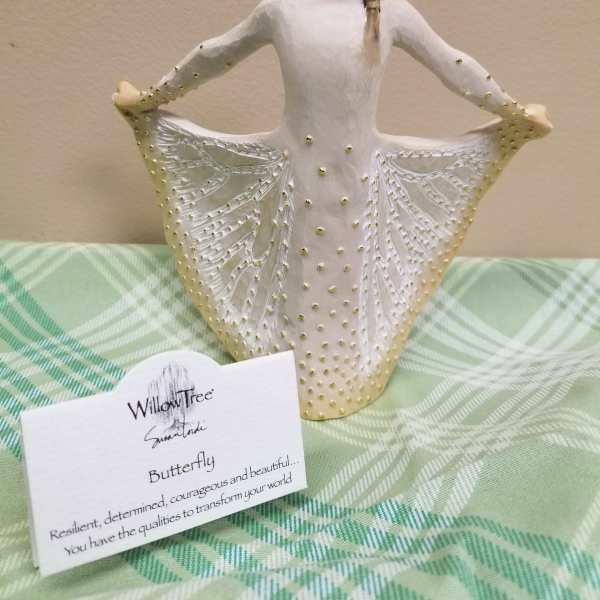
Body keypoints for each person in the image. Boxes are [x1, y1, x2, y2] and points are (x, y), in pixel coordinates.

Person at [112, 0, 552, 420]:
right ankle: (298, 379)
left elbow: (453, 65)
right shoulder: (282, 11)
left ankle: (342, 378)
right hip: (299, 174)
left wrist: (511, 110)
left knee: (345, 269)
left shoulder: (388, 13)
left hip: (356, 179)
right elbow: (215, 54)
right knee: (301, 268)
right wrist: (150, 99)